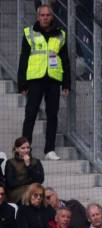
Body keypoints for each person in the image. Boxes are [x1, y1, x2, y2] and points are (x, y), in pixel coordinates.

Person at [17, 4, 70, 161]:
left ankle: (50, 150)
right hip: (35, 79)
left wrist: (66, 84)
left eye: (48, 15)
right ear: (37, 17)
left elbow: (65, 60)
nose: (45, 18)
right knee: (31, 114)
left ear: (52, 17)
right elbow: (24, 58)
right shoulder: (29, 33)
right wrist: (22, 83)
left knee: (52, 114)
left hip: (53, 79)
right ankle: (25, 150)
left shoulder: (60, 34)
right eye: (42, 15)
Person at [4, 137, 44, 203]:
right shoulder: (10, 162)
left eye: (28, 147)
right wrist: (29, 181)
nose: (26, 150)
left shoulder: (36, 161)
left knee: (46, 194)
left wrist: (28, 166)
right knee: (30, 195)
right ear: (16, 149)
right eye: (23, 148)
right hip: (17, 192)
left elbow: (40, 179)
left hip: (34, 189)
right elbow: (10, 183)